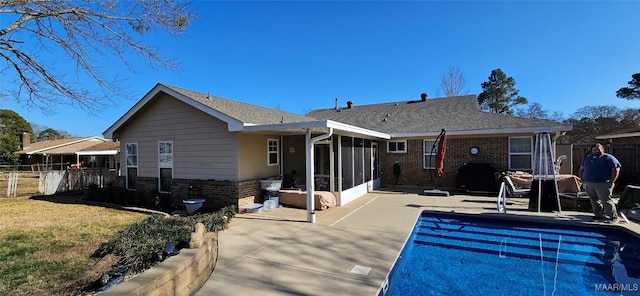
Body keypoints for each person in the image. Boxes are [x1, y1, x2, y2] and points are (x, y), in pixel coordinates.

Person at [578, 143, 622, 223]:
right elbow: (581, 169)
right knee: (594, 200)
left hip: (603, 183)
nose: (596, 151)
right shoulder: (587, 158)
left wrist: (612, 180)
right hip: (589, 183)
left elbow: (616, 169)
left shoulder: (608, 158)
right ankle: (598, 215)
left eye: (598, 149)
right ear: (592, 151)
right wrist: (581, 178)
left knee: (606, 200)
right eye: (594, 150)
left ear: (602, 149)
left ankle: (614, 217)